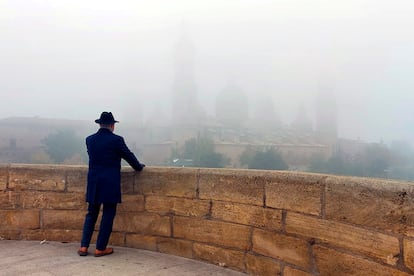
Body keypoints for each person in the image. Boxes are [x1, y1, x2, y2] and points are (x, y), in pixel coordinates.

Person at [78, 111, 145, 257]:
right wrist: (139, 167)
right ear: (112, 126)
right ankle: (100, 248)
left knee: (91, 213)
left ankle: (83, 246)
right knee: (108, 214)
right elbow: (129, 156)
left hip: (94, 182)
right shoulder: (117, 140)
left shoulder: (89, 140)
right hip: (109, 182)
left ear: (100, 124)